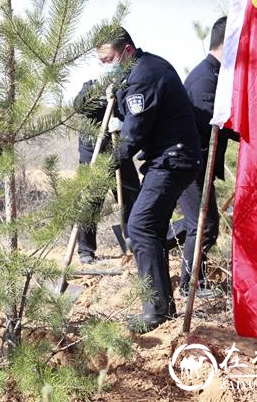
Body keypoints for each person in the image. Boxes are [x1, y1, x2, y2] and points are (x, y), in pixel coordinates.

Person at [99, 28, 202, 333]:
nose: (107, 66)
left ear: (127, 51)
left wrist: (103, 167)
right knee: (149, 228)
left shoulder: (145, 76)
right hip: (169, 158)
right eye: (102, 62)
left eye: (110, 59)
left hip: (173, 159)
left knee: (140, 226)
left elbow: (133, 136)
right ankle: (163, 309)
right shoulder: (141, 70)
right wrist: (116, 96)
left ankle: (156, 312)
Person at [178, 17, 239, 298]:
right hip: (192, 165)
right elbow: (212, 125)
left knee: (202, 223)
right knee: (204, 225)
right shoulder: (205, 79)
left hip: (199, 165)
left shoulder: (214, 75)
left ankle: (191, 278)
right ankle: (189, 285)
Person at [73, 80, 140, 264]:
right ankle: (85, 250)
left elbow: (136, 112)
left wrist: (123, 122)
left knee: (131, 196)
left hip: (118, 149)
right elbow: (79, 106)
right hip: (92, 151)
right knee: (91, 200)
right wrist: (102, 97)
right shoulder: (90, 86)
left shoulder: (126, 85)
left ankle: (132, 244)